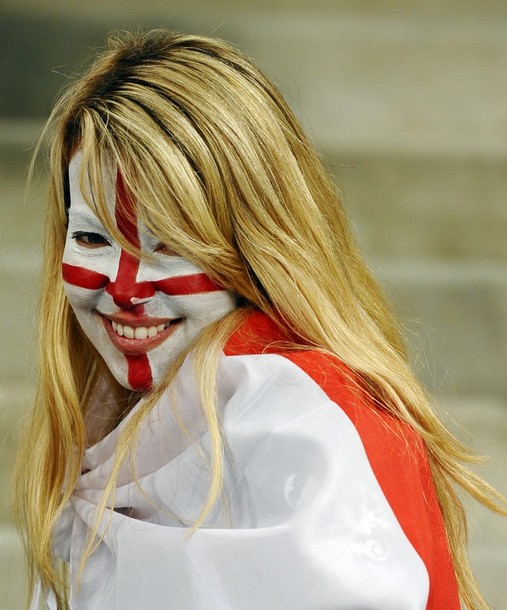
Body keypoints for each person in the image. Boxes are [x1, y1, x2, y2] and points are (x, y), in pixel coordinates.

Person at [15, 29, 506, 610]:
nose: (124, 290)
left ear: (256, 247)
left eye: (171, 244)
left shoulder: (298, 419)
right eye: (93, 237)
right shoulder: (108, 412)